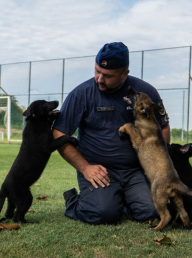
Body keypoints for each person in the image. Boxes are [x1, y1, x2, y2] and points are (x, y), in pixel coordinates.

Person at [52, 42, 170, 225]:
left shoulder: (146, 92)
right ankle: (74, 201)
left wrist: (156, 166)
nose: (99, 78)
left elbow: (163, 127)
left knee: (154, 211)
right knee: (102, 214)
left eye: (107, 75)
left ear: (125, 74)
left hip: (136, 170)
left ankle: (122, 200)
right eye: (97, 71)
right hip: (99, 169)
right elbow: (59, 133)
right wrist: (85, 168)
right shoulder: (81, 94)